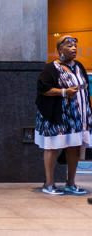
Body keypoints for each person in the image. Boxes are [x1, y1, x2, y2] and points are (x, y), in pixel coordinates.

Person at [35, 35, 91, 195]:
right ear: (60, 50)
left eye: (75, 46)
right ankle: (49, 184)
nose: (74, 48)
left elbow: (85, 90)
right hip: (56, 115)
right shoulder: (51, 68)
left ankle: (71, 183)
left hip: (76, 118)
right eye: (69, 46)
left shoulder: (79, 66)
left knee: (73, 147)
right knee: (52, 147)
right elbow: (43, 89)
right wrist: (64, 92)